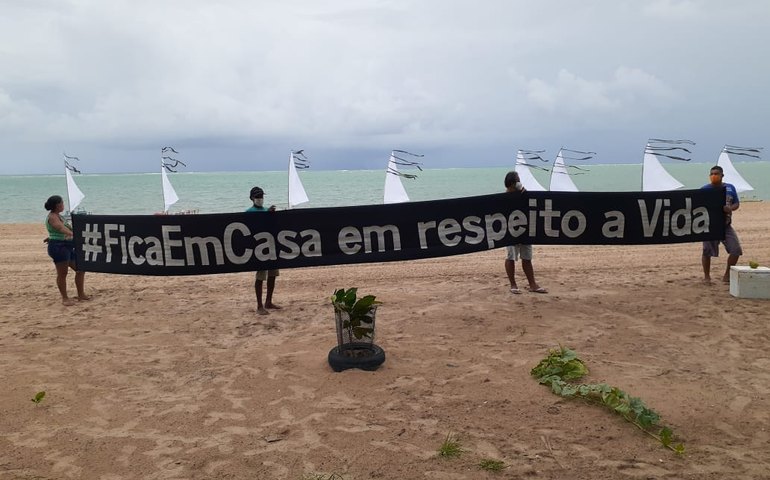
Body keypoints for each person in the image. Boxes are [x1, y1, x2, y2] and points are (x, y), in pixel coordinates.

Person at [503, 171, 548, 294]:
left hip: (525, 231)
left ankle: (532, 284)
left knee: (527, 258)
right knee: (511, 257)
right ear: (512, 183)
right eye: (517, 180)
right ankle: (513, 284)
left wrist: (524, 192)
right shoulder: (503, 198)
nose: (519, 182)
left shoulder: (524, 194)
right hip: (511, 232)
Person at [44, 195, 89, 305]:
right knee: (62, 273)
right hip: (59, 247)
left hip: (68, 246)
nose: (63, 205)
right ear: (57, 205)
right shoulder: (52, 217)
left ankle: (81, 294)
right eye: (62, 203)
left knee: (80, 269)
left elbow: (64, 228)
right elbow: (60, 228)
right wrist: (72, 234)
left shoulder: (60, 216)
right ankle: (65, 298)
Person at [701, 165, 743, 284]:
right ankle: (707, 277)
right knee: (706, 251)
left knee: (735, 250)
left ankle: (727, 275)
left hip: (726, 226)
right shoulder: (704, 189)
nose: (714, 176)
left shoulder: (730, 188)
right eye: (712, 174)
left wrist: (730, 208)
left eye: (716, 174)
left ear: (722, 175)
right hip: (709, 226)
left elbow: (736, 204)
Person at [246, 186, 281, 315]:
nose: (260, 199)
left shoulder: (267, 210)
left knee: (272, 275)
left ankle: (268, 302)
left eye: (261, 196)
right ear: (252, 198)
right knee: (260, 276)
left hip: (271, 247)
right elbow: (252, 227)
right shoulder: (249, 212)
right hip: (259, 249)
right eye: (258, 197)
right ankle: (259, 305)